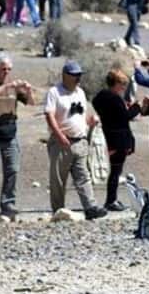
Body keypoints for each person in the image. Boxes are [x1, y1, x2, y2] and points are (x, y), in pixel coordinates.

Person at [44, 60, 107, 219]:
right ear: (65, 75)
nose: (78, 78)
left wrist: (90, 122)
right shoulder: (54, 92)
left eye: (79, 75)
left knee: (83, 176)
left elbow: (80, 114)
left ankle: (90, 207)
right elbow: (49, 115)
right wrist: (59, 135)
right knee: (58, 178)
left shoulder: (80, 92)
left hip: (80, 141)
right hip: (61, 142)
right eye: (74, 75)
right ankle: (58, 209)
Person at [0, 53, 34, 217]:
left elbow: (31, 103)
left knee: (13, 168)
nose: (7, 72)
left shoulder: (13, 86)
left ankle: (8, 202)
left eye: (9, 69)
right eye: (4, 69)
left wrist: (28, 90)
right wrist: (6, 87)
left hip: (10, 131)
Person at [91, 70, 142, 211]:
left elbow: (111, 112)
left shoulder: (101, 97)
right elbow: (126, 116)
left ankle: (111, 199)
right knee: (116, 171)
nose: (124, 87)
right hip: (119, 139)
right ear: (116, 83)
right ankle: (111, 200)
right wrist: (137, 107)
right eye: (123, 83)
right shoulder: (115, 98)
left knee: (115, 170)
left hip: (109, 135)